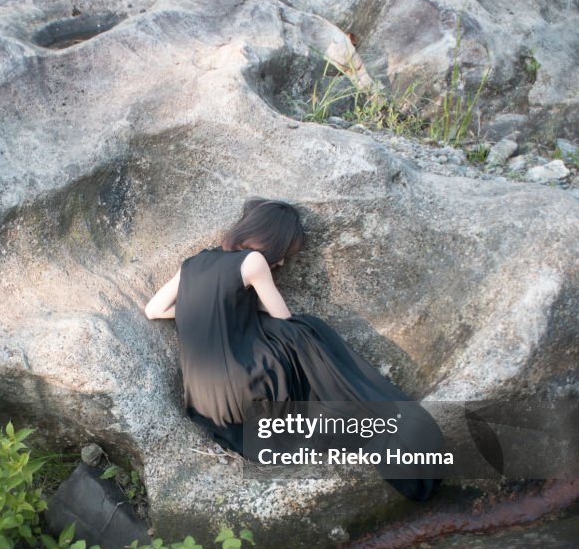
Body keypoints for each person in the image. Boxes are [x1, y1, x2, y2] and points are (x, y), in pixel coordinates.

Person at [145, 198, 443, 500]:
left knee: (281, 331)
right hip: (243, 392)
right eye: (284, 254)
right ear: (271, 241)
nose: (283, 262)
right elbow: (282, 316)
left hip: (204, 403)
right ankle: (357, 405)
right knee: (307, 330)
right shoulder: (253, 262)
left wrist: (208, 311)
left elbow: (153, 310)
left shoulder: (192, 263)